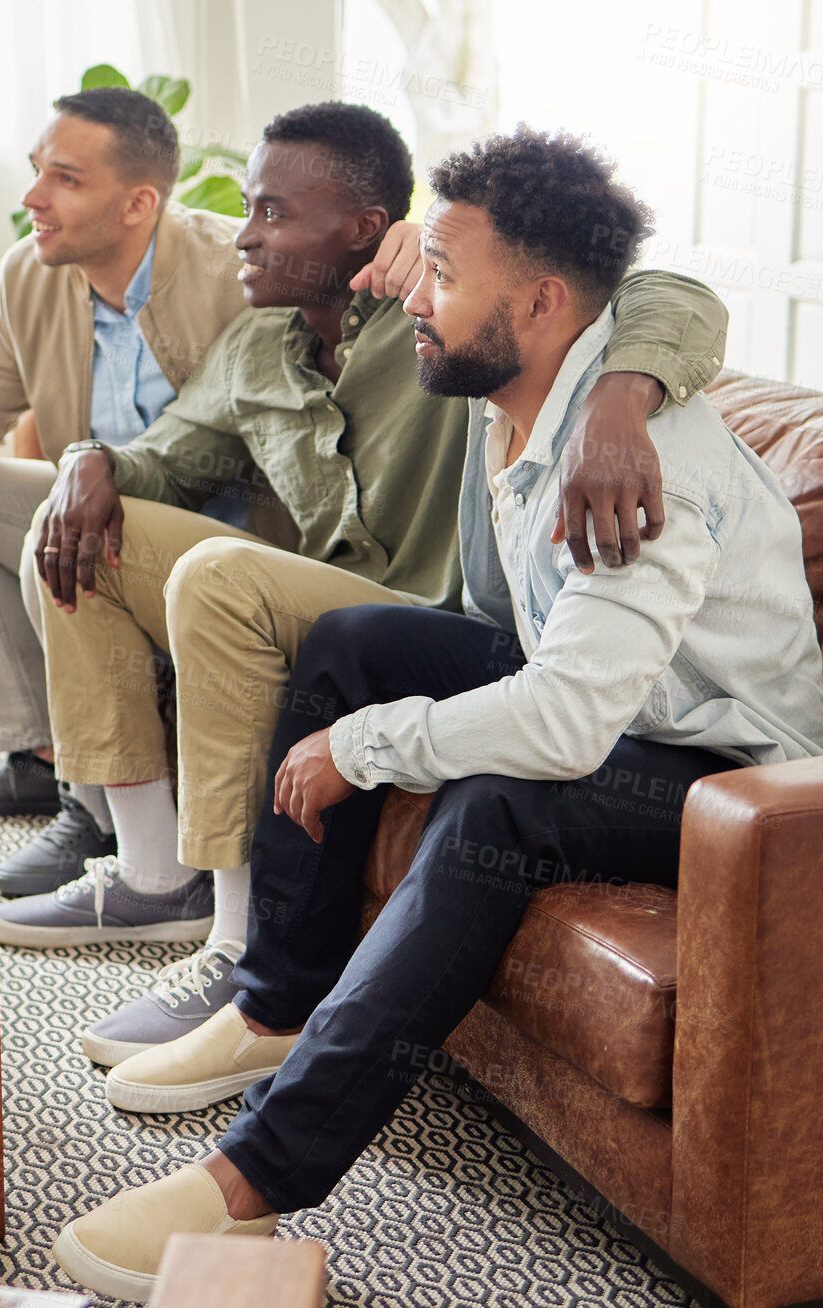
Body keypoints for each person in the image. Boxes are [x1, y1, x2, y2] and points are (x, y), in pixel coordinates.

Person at [47, 125, 823, 1305]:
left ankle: (255, 1181)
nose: (420, 297)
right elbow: (534, 638)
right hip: (616, 695)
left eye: (443, 281)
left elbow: (565, 728)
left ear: (546, 301)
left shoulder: (636, 463)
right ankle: (275, 995)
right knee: (352, 638)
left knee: (501, 804)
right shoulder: (524, 376)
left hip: (719, 766)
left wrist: (363, 749)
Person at [0, 103, 729, 1066]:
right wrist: (88, 460)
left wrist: (622, 395)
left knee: (219, 573)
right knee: (83, 532)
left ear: (365, 228)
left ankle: (235, 944)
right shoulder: (256, 348)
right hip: (330, 618)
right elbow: (162, 463)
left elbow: (671, 295)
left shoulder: (442, 315)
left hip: (437, 626)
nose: (242, 235)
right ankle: (150, 874)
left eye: (268, 213)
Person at [0, 87, 281, 890]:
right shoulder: (31, 277)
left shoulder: (229, 273)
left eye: (65, 179)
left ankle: (101, 811)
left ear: (140, 203)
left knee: (56, 532)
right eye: (38, 171)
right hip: (96, 516)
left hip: (225, 548)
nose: (33, 198)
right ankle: (45, 759)